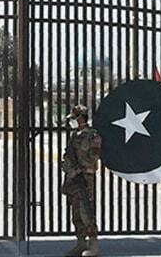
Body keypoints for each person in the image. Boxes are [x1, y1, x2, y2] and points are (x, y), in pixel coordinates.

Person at [60, 104, 102, 257]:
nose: (72, 122)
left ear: (81, 118)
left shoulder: (93, 135)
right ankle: (80, 243)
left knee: (86, 211)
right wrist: (69, 169)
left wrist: (79, 169)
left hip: (85, 178)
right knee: (76, 212)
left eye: (74, 118)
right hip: (73, 178)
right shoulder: (74, 136)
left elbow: (94, 155)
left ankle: (94, 245)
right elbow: (67, 156)